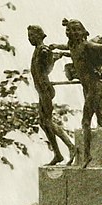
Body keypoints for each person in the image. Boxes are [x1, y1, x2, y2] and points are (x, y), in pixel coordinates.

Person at [54, 19, 102, 168]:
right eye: (69, 30)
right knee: (101, 120)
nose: (72, 33)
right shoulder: (72, 46)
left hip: (94, 87)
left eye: (75, 30)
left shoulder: (88, 45)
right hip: (89, 88)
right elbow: (68, 49)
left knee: (86, 122)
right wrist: (56, 47)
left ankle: (87, 155)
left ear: (82, 32)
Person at [27, 25, 75, 166]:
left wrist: (53, 59)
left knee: (47, 121)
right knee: (43, 123)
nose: (29, 38)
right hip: (41, 89)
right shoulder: (38, 50)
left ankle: (71, 146)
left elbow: (47, 69)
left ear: (38, 35)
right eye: (28, 36)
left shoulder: (43, 50)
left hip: (45, 89)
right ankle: (58, 154)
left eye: (31, 35)